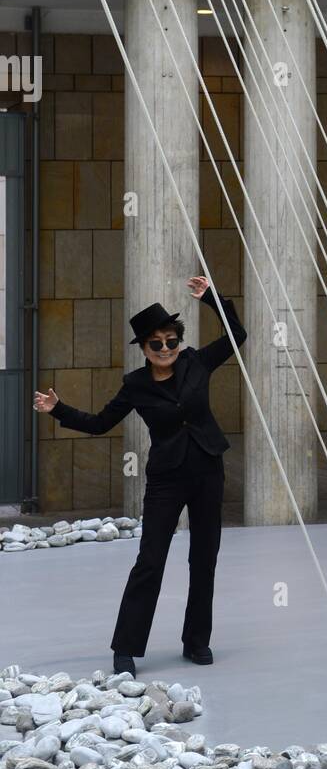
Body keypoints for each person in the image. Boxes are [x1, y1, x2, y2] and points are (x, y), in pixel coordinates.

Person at [33, 276, 247, 678]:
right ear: (145, 350)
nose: (166, 348)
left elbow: (238, 334)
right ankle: (126, 648)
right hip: (166, 479)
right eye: (156, 344)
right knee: (150, 561)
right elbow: (99, 423)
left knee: (204, 559)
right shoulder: (135, 385)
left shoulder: (196, 362)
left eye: (171, 340)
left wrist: (214, 299)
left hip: (207, 470)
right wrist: (58, 409)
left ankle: (196, 640)